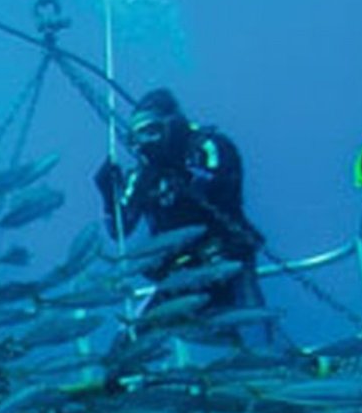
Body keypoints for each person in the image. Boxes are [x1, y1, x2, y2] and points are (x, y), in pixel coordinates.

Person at [92, 87, 264, 314]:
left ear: (173, 124)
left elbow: (218, 190)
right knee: (129, 343)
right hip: (175, 274)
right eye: (138, 136)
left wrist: (177, 173)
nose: (146, 142)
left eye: (152, 130)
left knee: (251, 330)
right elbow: (119, 230)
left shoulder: (208, 147)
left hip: (224, 261)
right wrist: (107, 193)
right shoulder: (142, 174)